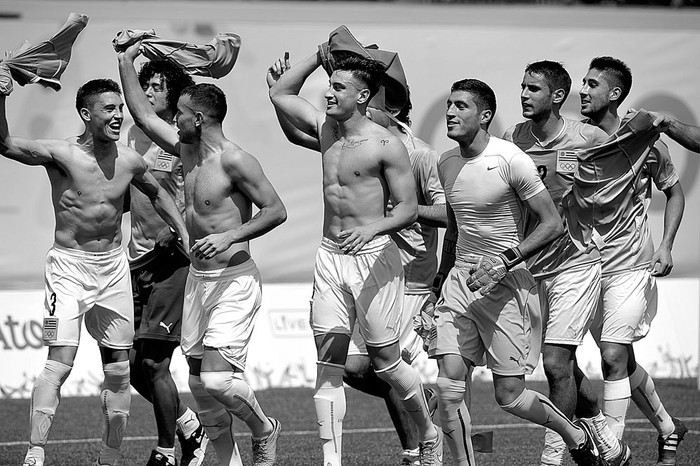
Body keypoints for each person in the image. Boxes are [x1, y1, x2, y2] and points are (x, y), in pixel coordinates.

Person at [267, 51, 445, 466]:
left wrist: (373, 228)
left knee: (386, 364)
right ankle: (332, 461)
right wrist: (317, 56)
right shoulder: (327, 131)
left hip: (373, 257)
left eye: (338, 87)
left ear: (363, 96)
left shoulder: (388, 146)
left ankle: (428, 432)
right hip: (330, 256)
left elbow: (406, 209)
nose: (328, 93)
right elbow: (279, 92)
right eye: (330, 85)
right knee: (328, 362)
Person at [0, 77, 189, 466]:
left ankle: (110, 454)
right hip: (69, 270)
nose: (119, 115)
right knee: (59, 362)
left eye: (120, 108)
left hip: (113, 268)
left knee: (120, 369)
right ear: (87, 114)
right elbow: (5, 144)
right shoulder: (61, 153)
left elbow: (159, 194)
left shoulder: (130, 160)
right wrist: (1, 97)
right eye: (109, 109)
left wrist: (183, 232)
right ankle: (35, 453)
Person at [118, 42, 287, 466]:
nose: (172, 118)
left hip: (233, 279)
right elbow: (141, 113)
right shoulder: (186, 150)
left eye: (178, 112)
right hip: (198, 281)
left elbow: (277, 211)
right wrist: (124, 58)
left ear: (198, 118)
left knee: (217, 379)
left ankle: (265, 428)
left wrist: (231, 237)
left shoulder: (236, 161)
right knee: (198, 385)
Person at [431, 77, 603, 466]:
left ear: (485, 115)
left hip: (506, 285)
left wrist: (503, 261)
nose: (451, 112)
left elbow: (551, 224)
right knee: (448, 386)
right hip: (460, 282)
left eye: (461, 106)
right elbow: (456, 227)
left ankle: (574, 433)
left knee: (509, 397)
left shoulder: (510, 159)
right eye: (449, 105)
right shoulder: (446, 162)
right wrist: (441, 278)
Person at [503, 60, 630, 466]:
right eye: (522, 87)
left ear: (557, 96)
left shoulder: (587, 136)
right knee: (566, 368)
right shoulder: (512, 138)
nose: (524, 94)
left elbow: (622, 178)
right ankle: (607, 440)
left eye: (534, 89)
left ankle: (555, 455)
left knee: (555, 362)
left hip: (577, 264)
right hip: (531, 267)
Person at [572, 56, 687, 465]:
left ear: (614, 94)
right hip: (584, 268)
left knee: (612, 357)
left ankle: (613, 451)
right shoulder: (575, 141)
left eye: (591, 84)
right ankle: (669, 427)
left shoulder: (648, 144)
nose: (582, 90)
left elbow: (675, 192)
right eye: (582, 83)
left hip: (632, 265)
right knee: (623, 359)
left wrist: (667, 244)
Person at [126, 59, 209, 466]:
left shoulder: (183, 142)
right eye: (147, 84)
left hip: (172, 262)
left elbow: (190, 195)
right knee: (130, 367)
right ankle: (191, 425)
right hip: (133, 262)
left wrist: (176, 226)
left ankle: (167, 451)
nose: (151, 91)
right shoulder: (129, 135)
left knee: (155, 362)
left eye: (159, 85)